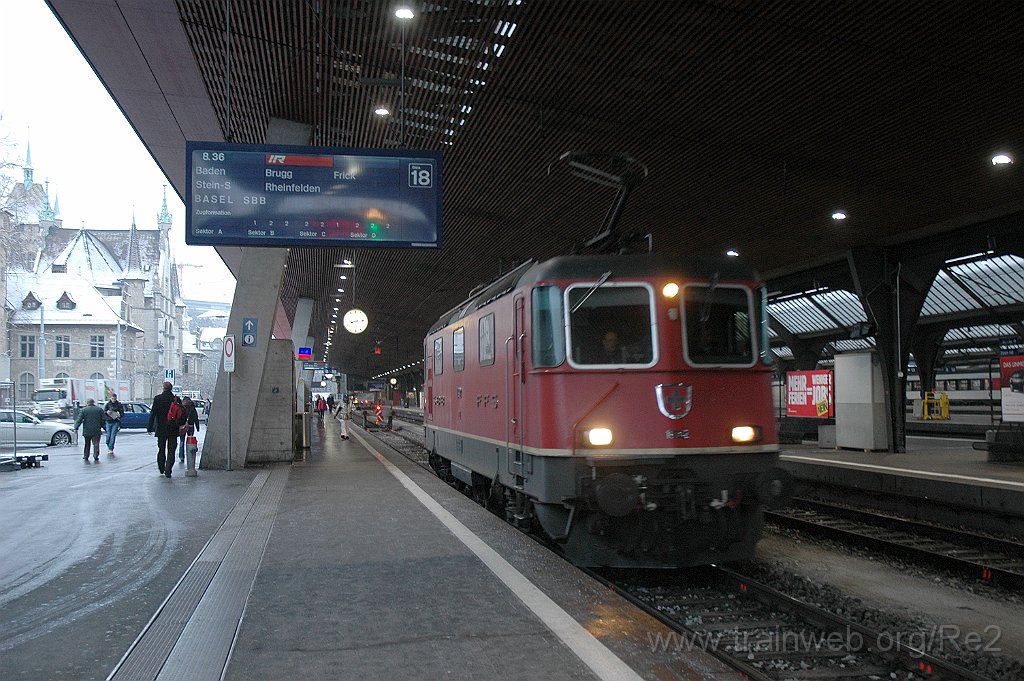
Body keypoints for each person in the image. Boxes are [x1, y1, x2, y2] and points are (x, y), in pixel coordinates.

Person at [147, 382, 180, 478]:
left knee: (161, 448)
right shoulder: (175, 399)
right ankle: (168, 469)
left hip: (161, 428)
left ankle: (161, 467)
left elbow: (153, 413)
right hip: (173, 428)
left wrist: (149, 427)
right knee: (171, 450)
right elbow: (181, 413)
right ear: (171, 388)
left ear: (163, 388)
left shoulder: (158, 399)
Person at [74, 397, 105, 462]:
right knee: (96, 444)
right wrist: (104, 427)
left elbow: (79, 420)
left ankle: (86, 456)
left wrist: (76, 427)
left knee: (87, 444)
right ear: (93, 403)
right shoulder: (99, 410)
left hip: (87, 431)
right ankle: (95, 455)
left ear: (87, 403)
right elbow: (103, 420)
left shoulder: (83, 410)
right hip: (96, 430)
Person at [176, 396, 201, 463]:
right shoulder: (192, 408)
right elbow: (196, 418)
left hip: (183, 426)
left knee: (182, 441)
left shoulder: (182, 408)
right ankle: (190, 455)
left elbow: (179, 418)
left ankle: (181, 457)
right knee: (190, 442)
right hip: (191, 426)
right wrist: (197, 427)